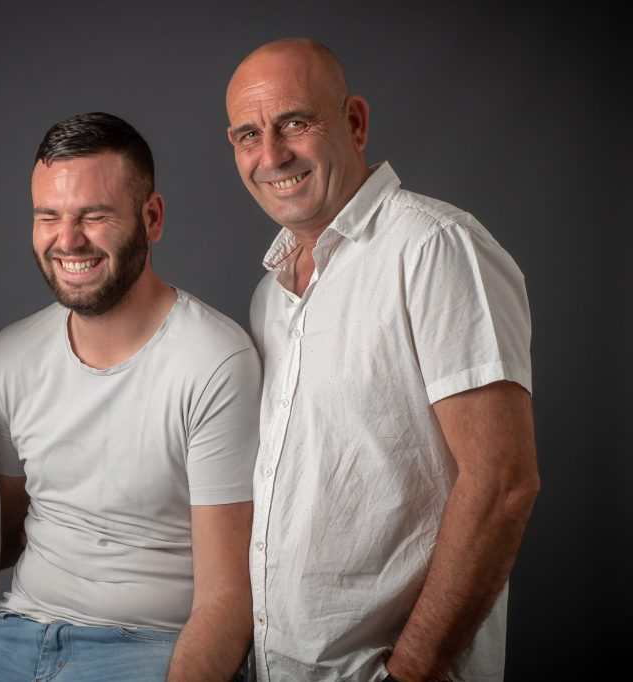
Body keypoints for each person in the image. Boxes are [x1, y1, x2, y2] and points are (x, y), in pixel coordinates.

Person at [224, 38, 540, 682]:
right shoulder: (271, 294)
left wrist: (412, 670)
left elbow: (503, 483)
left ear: (356, 122)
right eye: (247, 135)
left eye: (294, 123)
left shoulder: (435, 249)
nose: (271, 155)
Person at [0, 112, 262, 682]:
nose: (68, 241)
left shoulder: (215, 360)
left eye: (94, 215)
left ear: (152, 218)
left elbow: (229, 597)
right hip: (15, 632)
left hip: (151, 642)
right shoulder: (13, 354)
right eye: (49, 217)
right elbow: (1, 535)